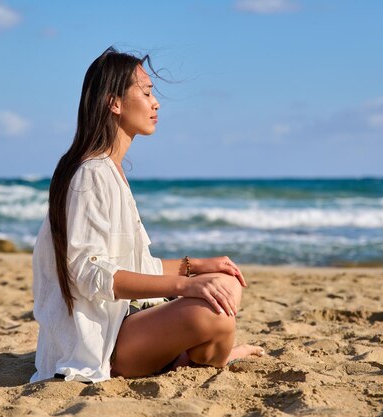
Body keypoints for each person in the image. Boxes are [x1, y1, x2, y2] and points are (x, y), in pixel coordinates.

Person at [30, 47, 264, 383]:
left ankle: (190, 355)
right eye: (147, 92)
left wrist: (196, 266)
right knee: (216, 314)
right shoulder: (91, 174)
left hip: (132, 318)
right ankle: (205, 356)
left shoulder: (112, 170)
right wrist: (183, 286)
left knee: (226, 283)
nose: (156, 103)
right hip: (106, 339)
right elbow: (87, 272)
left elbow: (134, 267)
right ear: (115, 103)